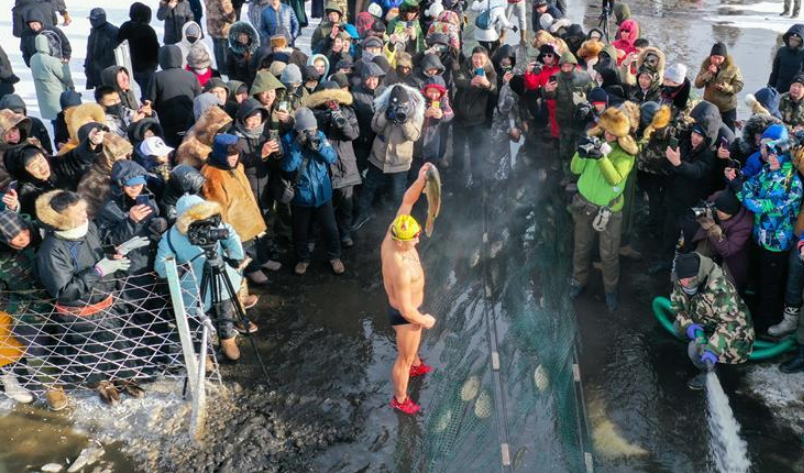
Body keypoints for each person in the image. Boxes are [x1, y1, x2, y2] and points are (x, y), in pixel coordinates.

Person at [35, 190, 146, 405]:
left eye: (83, 209)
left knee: (118, 343)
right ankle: (103, 384)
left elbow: (100, 247)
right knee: (93, 352)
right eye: (78, 212)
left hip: (107, 302)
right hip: (80, 314)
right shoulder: (51, 250)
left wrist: (118, 249)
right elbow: (64, 291)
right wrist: (98, 271)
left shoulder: (88, 227)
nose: (85, 214)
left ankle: (124, 376)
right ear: (62, 218)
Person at [154, 194, 245, 361]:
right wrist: (180, 270)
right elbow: (161, 266)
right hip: (194, 286)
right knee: (197, 319)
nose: (203, 223)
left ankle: (227, 340)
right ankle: (203, 353)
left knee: (225, 309)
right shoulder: (171, 236)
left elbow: (231, 237)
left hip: (220, 276)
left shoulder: (214, 224)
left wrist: (235, 255)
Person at [568, 108, 637, 312]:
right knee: (581, 247)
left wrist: (600, 158)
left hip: (609, 212)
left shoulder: (626, 155)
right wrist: (581, 152)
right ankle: (578, 281)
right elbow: (575, 169)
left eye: (613, 133)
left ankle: (610, 290)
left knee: (609, 254)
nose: (608, 135)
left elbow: (614, 179)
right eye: (606, 130)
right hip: (584, 205)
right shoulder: (594, 141)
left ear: (621, 135)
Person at [381, 163, 437, 415]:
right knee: (403, 359)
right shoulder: (400, 267)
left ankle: (415, 363)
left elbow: (407, 200)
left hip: (410, 308)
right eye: (414, 237)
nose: (418, 238)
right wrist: (424, 320)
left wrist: (421, 180)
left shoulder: (393, 231)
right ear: (401, 242)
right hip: (407, 315)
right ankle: (401, 399)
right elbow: (406, 310)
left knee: (411, 350)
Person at [671, 252, 754, 390]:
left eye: (689, 280)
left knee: (694, 349)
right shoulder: (680, 278)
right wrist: (689, 326)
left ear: (699, 275)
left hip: (734, 333)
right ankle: (703, 350)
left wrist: (713, 349)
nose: (684, 284)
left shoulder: (721, 289)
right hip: (706, 323)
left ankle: (710, 372)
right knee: (678, 327)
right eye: (682, 280)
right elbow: (676, 306)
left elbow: (729, 324)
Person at [280, 108, 344, 275]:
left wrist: (319, 147)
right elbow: (287, 167)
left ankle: (335, 257)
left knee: (331, 229)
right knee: (300, 231)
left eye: (314, 129)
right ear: (298, 130)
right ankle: (303, 259)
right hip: (301, 195)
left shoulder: (320, 136)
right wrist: (297, 146)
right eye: (307, 131)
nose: (311, 133)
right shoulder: (288, 140)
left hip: (323, 194)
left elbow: (332, 158)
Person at [201, 134, 271, 284]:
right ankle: (253, 270)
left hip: (248, 214)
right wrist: (227, 232)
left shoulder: (237, 166)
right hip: (236, 223)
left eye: (236, 155)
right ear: (220, 154)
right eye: (230, 155)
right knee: (245, 247)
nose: (234, 158)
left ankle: (262, 261)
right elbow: (217, 209)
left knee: (256, 241)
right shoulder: (212, 175)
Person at [354, 84, 424, 229]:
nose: (399, 106)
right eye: (395, 103)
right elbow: (375, 127)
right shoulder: (384, 107)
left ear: (408, 101)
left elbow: (414, 136)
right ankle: (362, 214)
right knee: (369, 188)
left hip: (400, 161)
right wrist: (386, 116)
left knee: (398, 193)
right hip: (378, 157)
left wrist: (404, 121)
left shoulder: (415, 112)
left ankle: (400, 222)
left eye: (402, 103)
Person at [679, 190, 753, 293]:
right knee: (694, 264)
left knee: (724, 289)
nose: (719, 213)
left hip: (733, 256)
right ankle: (689, 289)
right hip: (712, 239)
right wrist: (704, 213)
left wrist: (712, 229)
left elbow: (728, 251)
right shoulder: (719, 197)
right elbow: (706, 205)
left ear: (733, 212)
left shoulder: (744, 224)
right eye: (718, 209)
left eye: (724, 212)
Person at [453, 46, 498, 187]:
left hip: (477, 118)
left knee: (476, 151)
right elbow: (457, 79)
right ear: (471, 57)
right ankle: (457, 176)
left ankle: (477, 180)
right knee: (458, 148)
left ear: (486, 58)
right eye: (475, 58)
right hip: (460, 115)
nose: (478, 61)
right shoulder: (466, 65)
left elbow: (496, 91)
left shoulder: (490, 72)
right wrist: (470, 82)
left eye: (481, 58)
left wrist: (487, 84)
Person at [145, 45, 202, 148]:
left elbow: (150, 101)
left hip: (167, 124)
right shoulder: (191, 76)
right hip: (189, 123)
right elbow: (199, 99)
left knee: (171, 150)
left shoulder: (156, 77)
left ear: (161, 58)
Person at [77, 134, 135, 219]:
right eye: (119, 158)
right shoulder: (93, 182)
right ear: (105, 159)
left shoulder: (123, 169)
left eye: (127, 155)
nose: (125, 160)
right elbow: (90, 216)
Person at [694, 43, 744, 132]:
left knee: (728, 133)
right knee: (707, 132)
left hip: (727, 108)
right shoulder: (706, 66)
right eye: (714, 57)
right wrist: (708, 73)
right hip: (710, 106)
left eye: (719, 58)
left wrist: (726, 88)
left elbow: (739, 86)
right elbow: (697, 85)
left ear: (724, 58)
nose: (716, 61)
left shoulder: (733, 68)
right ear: (710, 56)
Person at [30, 34, 73, 125]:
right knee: (62, 122)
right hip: (57, 96)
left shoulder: (33, 59)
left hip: (45, 98)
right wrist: (65, 65)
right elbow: (65, 77)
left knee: (54, 121)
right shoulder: (52, 61)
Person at [118, 2, 160, 92]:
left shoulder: (125, 26)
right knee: (148, 92)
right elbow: (155, 49)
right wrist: (154, 65)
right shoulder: (148, 30)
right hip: (146, 68)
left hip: (129, 66)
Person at [84, 8, 120, 91]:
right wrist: (87, 66)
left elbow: (112, 54)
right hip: (95, 71)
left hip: (107, 72)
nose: (91, 22)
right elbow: (90, 50)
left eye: (94, 19)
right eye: (91, 19)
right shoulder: (95, 30)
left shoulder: (112, 32)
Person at [204, 0, 237, 76]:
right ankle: (224, 71)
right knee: (223, 50)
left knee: (217, 47)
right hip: (221, 27)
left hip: (212, 25)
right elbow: (229, 13)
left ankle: (220, 70)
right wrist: (233, 17)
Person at [226, 21, 260, 85]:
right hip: (241, 85)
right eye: (238, 36)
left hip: (257, 84)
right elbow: (230, 72)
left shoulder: (257, 50)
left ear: (249, 35)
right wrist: (237, 86)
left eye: (244, 34)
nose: (242, 37)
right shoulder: (231, 52)